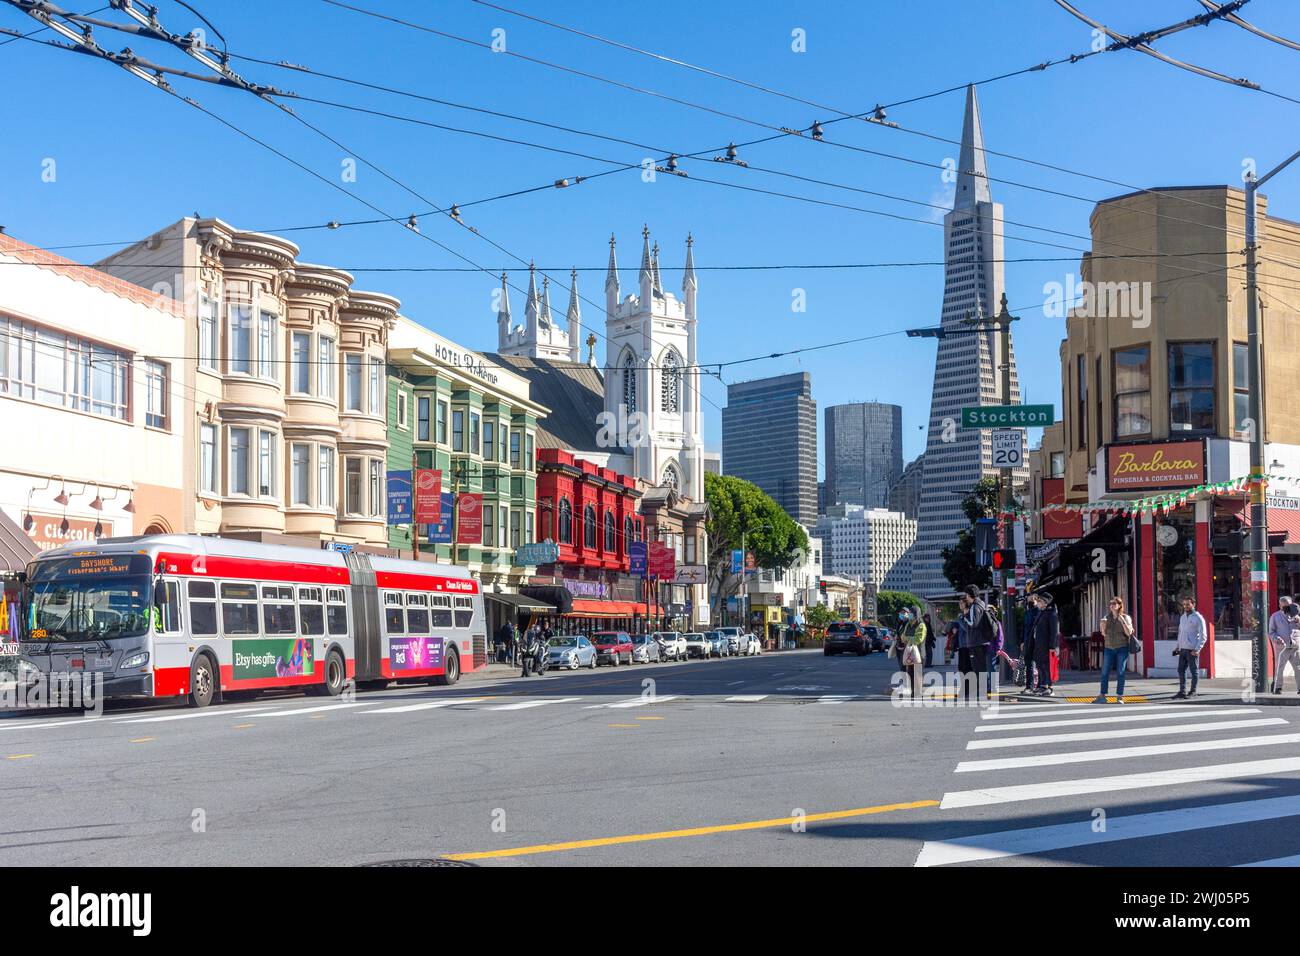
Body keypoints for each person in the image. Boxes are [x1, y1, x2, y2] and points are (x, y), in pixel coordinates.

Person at [962, 585, 995, 702]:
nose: (965, 597)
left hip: (977, 642)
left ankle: (983, 692)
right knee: (981, 668)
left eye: (966, 594)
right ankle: (984, 692)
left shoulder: (975, 607)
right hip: (980, 642)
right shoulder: (981, 604)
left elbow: (973, 623)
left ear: (970, 594)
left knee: (979, 669)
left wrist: (964, 616)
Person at [1099, 596, 1135, 703]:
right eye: (1111, 604)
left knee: (1120, 671)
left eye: (1114, 604)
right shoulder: (1106, 617)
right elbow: (1104, 634)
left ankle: (1119, 696)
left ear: (1119, 605)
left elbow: (1129, 633)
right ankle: (1102, 695)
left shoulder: (1126, 617)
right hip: (1109, 647)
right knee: (1105, 672)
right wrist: (1102, 626)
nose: (1112, 606)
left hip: (1122, 648)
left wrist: (1122, 621)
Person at [1174, 595, 1207, 700]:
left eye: (1188, 604)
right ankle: (1182, 691)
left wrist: (1197, 649)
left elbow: (1203, 635)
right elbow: (1180, 633)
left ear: (1193, 604)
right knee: (1181, 670)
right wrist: (1177, 647)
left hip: (1192, 649)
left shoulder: (1198, 618)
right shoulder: (1183, 617)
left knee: (1194, 671)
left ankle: (1193, 691)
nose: (1186, 606)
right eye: (1184, 604)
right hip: (1183, 649)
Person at [1268, 597, 1300, 694]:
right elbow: (1271, 632)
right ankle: (1277, 688)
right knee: (1280, 668)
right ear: (1280, 605)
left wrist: (1299, 621)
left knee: (1298, 668)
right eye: (1284, 605)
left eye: (1288, 605)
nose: (1287, 607)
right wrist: (1276, 638)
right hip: (1282, 647)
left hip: (1295, 646)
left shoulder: (1296, 614)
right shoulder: (1275, 616)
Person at [893, 605, 926, 698]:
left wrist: (907, 639)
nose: (909, 615)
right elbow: (902, 635)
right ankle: (912, 692)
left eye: (911, 613)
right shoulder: (908, 624)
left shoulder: (921, 625)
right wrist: (907, 638)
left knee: (917, 673)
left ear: (916, 614)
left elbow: (918, 639)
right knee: (910, 672)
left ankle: (918, 692)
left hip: (918, 652)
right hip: (909, 651)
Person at [1030, 593, 1059, 696]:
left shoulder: (1051, 613)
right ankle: (1042, 685)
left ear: (1045, 603)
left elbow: (1054, 631)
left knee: (1046, 665)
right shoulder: (1042, 612)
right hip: (1039, 643)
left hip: (1046, 644)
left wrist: (1052, 646)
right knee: (1040, 664)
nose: (1038, 603)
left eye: (1040, 601)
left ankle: (1049, 687)